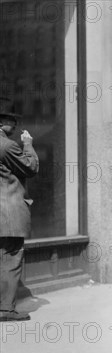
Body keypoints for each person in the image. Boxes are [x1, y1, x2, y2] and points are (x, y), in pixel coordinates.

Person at [0, 97, 38, 322]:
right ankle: (5, 310)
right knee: (11, 260)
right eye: (11, 121)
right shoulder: (7, 145)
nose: (14, 126)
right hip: (8, 213)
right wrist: (28, 144)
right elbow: (31, 167)